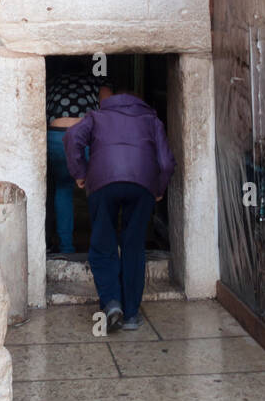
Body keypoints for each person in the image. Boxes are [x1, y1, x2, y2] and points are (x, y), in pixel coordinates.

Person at [63, 80, 175, 332]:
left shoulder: (96, 116)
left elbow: (71, 137)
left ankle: (112, 302)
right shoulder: (151, 120)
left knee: (103, 244)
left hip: (103, 182)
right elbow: (167, 162)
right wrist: (158, 188)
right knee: (133, 245)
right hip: (142, 186)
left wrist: (79, 172)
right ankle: (132, 315)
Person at [45, 66, 111, 255]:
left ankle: (66, 248)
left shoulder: (53, 75)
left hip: (56, 134)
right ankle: (101, 246)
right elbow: (108, 108)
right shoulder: (97, 77)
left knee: (63, 188)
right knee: (95, 189)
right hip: (85, 135)